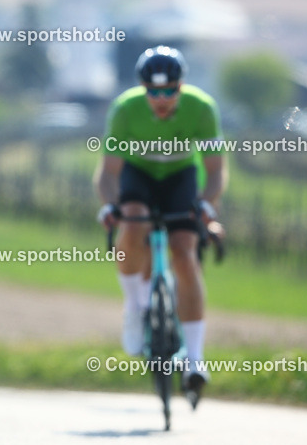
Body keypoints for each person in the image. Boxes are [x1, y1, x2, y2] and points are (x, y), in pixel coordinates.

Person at [94, 45, 227, 400]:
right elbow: (108, 173)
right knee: (132, 226)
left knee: (184, 253)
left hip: (180, 176)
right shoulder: (126, 109)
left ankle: (196, 361)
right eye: (153, 91)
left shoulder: (202, 109)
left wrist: (207, 207)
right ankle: (136, 307)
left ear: (181, 87)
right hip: (139, 175)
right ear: (143, 89)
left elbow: (214, 171)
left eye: (169, 90)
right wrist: (110, 206)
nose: (161, 98)